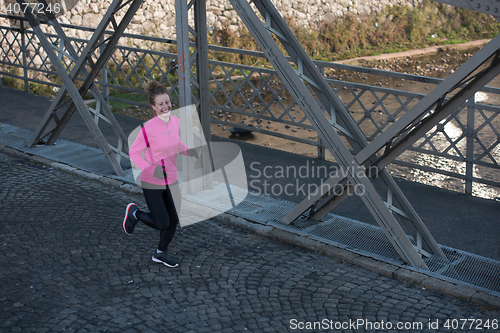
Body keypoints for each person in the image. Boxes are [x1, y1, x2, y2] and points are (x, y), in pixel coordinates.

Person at [123, 81, 198, 268]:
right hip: (153, 181)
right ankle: (135, 213)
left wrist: (189, 151)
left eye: (167, 102)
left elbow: (176, 143)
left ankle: (160, 253)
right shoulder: (148, 128)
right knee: (162, 223)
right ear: (153, 107)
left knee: (174, 220)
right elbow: (133, 152)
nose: (165, 107)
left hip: (171, 178)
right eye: (160, 104)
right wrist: (150, 168)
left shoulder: (176, 122)